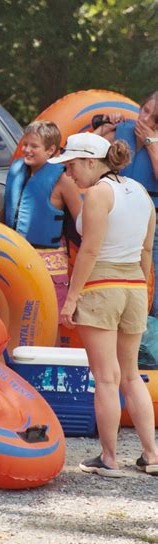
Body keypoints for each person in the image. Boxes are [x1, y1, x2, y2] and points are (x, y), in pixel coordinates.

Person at [50, 132, 158, 477]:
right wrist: (143, 289)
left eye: (71, 165)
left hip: (101, 286)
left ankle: (109, 458)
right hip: (134, 286)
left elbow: (91, 250)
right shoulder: (140, 192)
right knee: (130, 375)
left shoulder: (98, 193)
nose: (68, 173)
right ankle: (151, 454)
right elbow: (145, 251)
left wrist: (71, 299)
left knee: (106, 378)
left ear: (91, 162)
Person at [4, 120, 82, 313]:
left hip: (49, 262)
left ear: (50, 150)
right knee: (16, 312)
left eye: (34, 146)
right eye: (25, 144)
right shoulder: (16, 171)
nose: (27, 150)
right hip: (16, 256)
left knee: (48, 317)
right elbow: (5, 212)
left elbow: (82, 222)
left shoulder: (64, 181)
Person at [92, 91, 158, 316]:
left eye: (153, 117)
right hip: (117, 220)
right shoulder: (122, 130)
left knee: (152, 293)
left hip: (151, 227)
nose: (145, 119)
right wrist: (106, 124)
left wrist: (150, 143)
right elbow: (90, 155)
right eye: (145, 110)